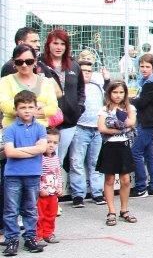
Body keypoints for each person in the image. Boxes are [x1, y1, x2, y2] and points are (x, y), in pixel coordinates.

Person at [0, 45, 59, 218]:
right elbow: (4, 105)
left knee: (39, 183)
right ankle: (6, 227)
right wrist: (36, 108)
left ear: (35, 62)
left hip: (39, 134)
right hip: (13, 134)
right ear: (13, 63)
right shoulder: (5, 81)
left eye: (29, 61)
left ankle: (37, 227)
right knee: (10, 184)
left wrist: (24, 109)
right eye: (19, 62)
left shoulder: (45, 82)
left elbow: (52, 108)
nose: (24, 65)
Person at [2, 90, 48, 255]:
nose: (27, 110)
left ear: (36, 109)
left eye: (30, 107)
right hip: (13, 175)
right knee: (11, 210)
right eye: (22, 107)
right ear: (16, 110)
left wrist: (20, 150)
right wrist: (33, 150)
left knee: (30, 208)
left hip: (32, 174)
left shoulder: (40, 128)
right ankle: (12, 239)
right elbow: (9, 153)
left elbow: (42, 148)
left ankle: (30, 237)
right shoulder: (10, 129)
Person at [41, 29, 84, 178]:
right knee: (44, 160)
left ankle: (54, 196)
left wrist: (79, 108)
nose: (59, 47)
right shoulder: (40, 65)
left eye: (62, 44)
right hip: (46, 120)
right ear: (48, 45)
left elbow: (81, 90)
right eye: (55, 43)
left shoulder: (74, 66)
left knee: (58, 160)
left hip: (69, 122)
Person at [96, 81, 138, 226]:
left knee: (126, 180)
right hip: (109, 146)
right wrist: (118, 128)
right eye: (115, 92)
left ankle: (124, 210)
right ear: (109, 94)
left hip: (124, 145)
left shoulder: (129, 107)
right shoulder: (104, 109)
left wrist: (118, 125)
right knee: (109, 179)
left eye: (121, 92)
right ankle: (111, 211)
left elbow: (132, 122)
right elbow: (102, 128)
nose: (118, 95)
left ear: (125, 94)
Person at [70, 59, 106, 207]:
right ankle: (78, 195)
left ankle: (97, 193)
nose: (86, 73)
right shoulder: (74, 87)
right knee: (76, 162)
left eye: (89, 71)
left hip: (97, 129)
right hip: (80, 128)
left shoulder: (98, 86)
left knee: (96, 163)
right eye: (83, 71)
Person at [131, 53, 153, 198]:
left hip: (148, 122)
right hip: (149, 122)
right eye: (142, 66)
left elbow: (142, 102)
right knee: (149, 154)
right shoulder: (147, 82)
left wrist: (129, 100)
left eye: (147, 66)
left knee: (136, 152)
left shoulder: (151, 83)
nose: (144, 69)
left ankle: (141, 187)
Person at [36, 128, 61, 244]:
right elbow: (37, 175)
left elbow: (58, 173)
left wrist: (59, 187)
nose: (51, 145)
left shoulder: (55, 157)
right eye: (48, 142)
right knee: (39, 215)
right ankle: (38, 235)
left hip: (53, 193)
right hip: (42, 193)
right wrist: (41, 189)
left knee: (51, 214)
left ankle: (48, 233)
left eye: (55, 143)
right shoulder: (40, 158)